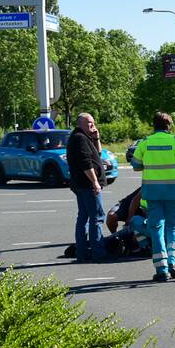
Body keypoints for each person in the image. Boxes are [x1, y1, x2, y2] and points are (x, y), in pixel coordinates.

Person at [131, 112, 175, 282]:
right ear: (169, 126)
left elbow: (136, 166)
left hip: (152, 193)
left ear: (154, 125)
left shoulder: (145, 142)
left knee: (156, 228)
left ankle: (161, 269)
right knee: (173, 228)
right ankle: (174, 263)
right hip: (174, 192)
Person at [65, 112, 106, 262]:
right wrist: (95, 182)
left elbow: (98, 153)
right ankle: (98, 252)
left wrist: (96, 138)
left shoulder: (83, 137)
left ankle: (82, 252)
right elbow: (86, 163)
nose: (92, 125)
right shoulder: (80, 138)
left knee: (84, 217)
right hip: (87, 185)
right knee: (97, 217)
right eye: (89, 122)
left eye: (93, 122)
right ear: (80, 123)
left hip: (80, 184)